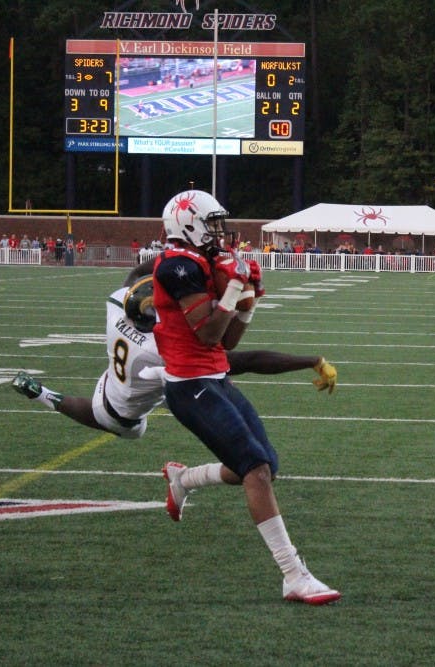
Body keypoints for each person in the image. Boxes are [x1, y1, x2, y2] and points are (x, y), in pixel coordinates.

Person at [151, 189, 340, 604]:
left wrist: (247, 302)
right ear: (188, 223)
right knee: (254, 469)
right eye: (211, 222)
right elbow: (208, 333)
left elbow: (229, 339)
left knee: (265, 467)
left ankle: (184, 478)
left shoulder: (202, 260)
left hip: (215, 378)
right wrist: (235, 287)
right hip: (189, 386)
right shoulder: (177, 265)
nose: (219, 232)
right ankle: (293, 574)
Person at [11, 276, 338, 441]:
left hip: (119, 373)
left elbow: (136, 278)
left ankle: (41, 393)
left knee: (190, 380)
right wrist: (311, 359)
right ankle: (46, 396)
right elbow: (247, 359)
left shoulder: (117, 308)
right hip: (124, 414)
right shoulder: (161, 347)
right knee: (201, 385)